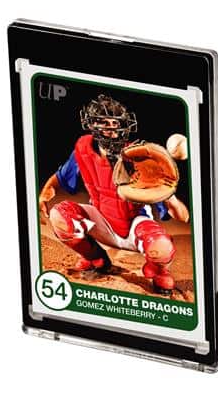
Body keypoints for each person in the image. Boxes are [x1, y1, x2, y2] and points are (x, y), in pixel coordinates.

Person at [39, 95, 189, 294]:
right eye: (105, 122)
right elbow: (58, 178)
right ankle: (96, 258)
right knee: (60, 215)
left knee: (161, 247)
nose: (111, 128)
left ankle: (159, 272)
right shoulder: (83, 151)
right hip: (101, 222)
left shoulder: (139, 159)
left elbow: (183, 217)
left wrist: (170, 195)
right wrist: (44, 195)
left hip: (135, 227)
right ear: (91, 125)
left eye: (115, 123)